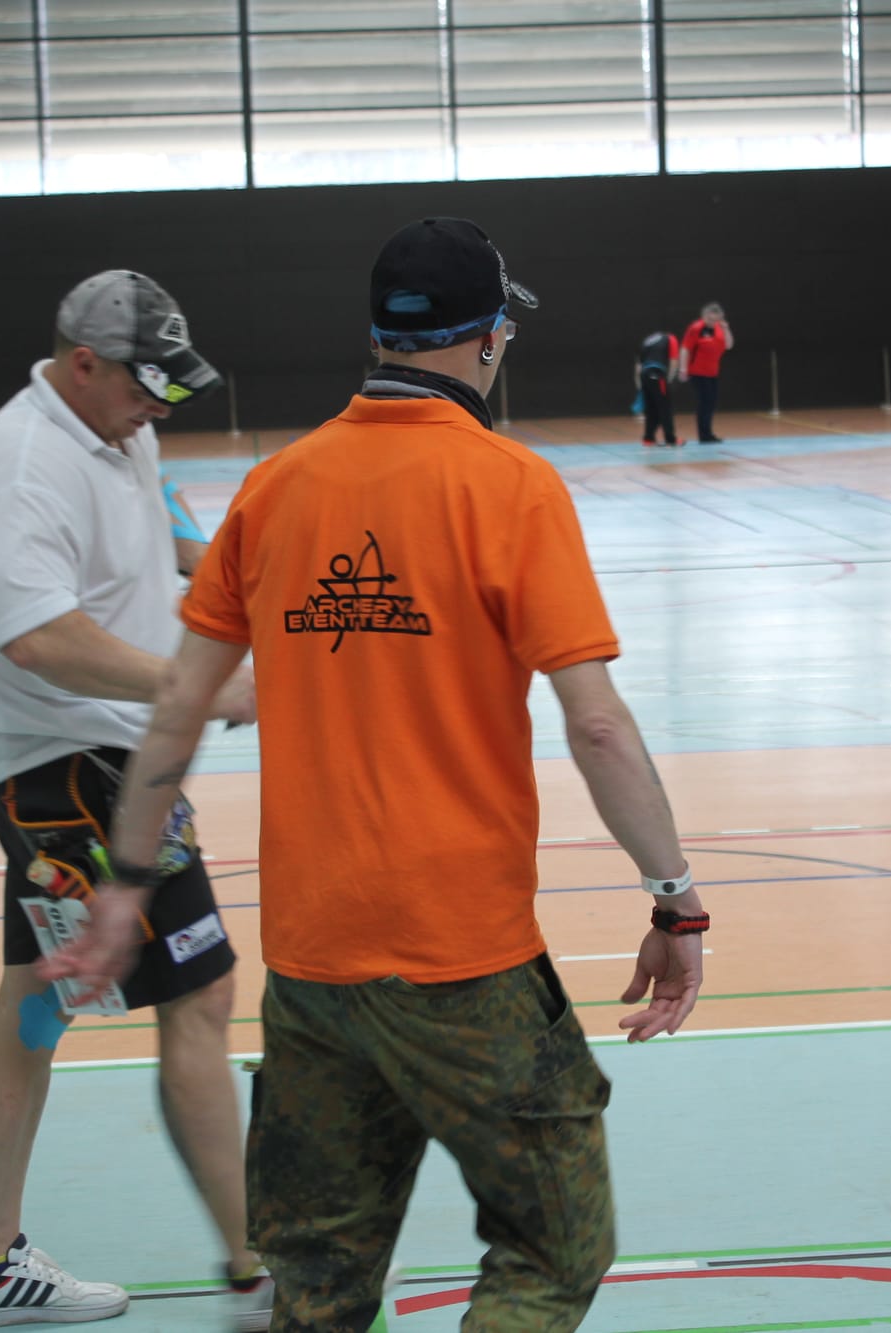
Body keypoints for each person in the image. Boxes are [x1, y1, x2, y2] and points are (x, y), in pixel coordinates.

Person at [44, 217, 707, 1331]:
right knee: (553, 1252)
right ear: (488, 339)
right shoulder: (511, 486)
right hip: (465, 959)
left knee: (317, 1286)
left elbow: (177, 708)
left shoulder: (274, 488)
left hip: (313, 971)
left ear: (378, 338)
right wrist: (673, 899)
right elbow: (596, 726)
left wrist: (126, 885)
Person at [0, 269, 270, 1330]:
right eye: (143, 386)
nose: (157, 408)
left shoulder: (119, 429)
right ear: (82, 363)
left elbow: (166, 526)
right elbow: (41, 637)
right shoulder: (18, 469)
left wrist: (250, 582)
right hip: (70, 775)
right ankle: (262, 1271)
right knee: (199, 996)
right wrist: (194, 686)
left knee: (32, 1006)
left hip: (96, 761)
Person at [680, 301, 733, 443]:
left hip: (712, 372)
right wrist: (683, 368)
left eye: (716, 320)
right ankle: (704, 435)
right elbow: (685, 348)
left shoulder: (720, 328)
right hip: (697, 372)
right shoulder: (696, 328)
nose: (712, 322)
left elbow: (729, 345)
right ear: (704, 316)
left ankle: (708, 433)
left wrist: (726, 329)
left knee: (711, 403)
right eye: (710, 319)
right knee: (705, 402)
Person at [637, 328, 683, 446]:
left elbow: (638, 365)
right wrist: (669, 378)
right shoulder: (671, 338)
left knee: (651, 408)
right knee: (665, 408)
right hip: (657, 373)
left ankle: (648, 438)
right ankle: (670, 439)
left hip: (644, 375)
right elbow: (674, 361)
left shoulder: (647, 341)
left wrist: (639, 384)